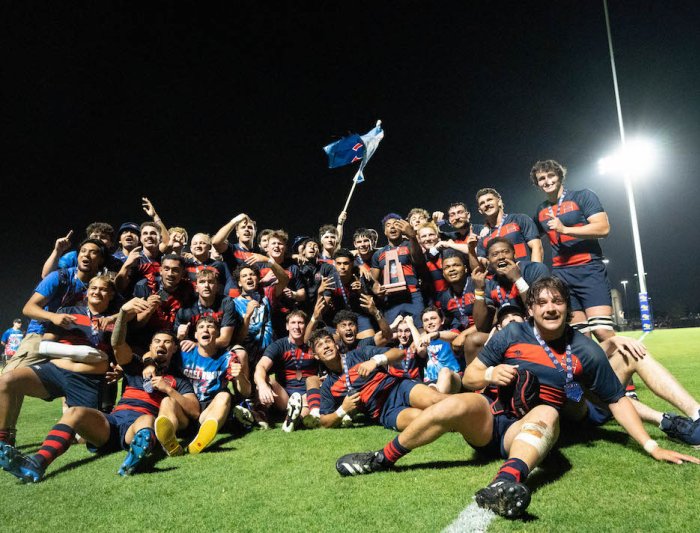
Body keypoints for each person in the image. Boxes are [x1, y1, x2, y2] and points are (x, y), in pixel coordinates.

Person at [334, 276, 697, 519]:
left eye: (558, 302)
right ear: (532, 310)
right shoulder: (511, 336)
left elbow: (617, 400)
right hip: (491, 418)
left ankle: (505, 483)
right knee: (455, 403)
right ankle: (381, 458)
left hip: (529, 425)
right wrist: (491, 373)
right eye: (543, 303)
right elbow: (472, 376)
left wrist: (651, 446)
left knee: (548, 413)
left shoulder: (585, 350)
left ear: (567, 308)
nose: (551, 308)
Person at [0, 299, 198, 481]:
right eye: (157, 341)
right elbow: (117, 343)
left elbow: (194, 410)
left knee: (147, 421)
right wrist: (122, 314)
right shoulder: (135, 365)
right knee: (74, 412)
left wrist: (168, 390)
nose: (161, 344)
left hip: (136, 425)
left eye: (167, 342)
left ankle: (135, 459)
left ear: (174, 349)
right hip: (112, 422)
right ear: (150, 346)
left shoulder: (178, 380)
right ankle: (37, 462)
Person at [0, 274, 117, 448]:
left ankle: (71, 429)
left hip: (87, 380)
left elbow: (115, 356)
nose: (97, 292)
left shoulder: (114, 322)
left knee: (87, 439)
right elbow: (45, 346)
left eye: (103, 289)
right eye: (93, 288)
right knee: (7, 380)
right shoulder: (67, 312)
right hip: (55, 371)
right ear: (87, 292)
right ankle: (4, 439)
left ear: (111, 294)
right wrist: (79, 353)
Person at [531, 159, 615, 340]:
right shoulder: (540, 210)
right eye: (541, 178)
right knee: (579, 337)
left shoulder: (583, 196)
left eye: (551, 175)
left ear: (560, 176)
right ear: (537, 184)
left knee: (602, 332)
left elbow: (603, 228)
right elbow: (526, 239)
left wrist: (566, 229)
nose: (547, 181)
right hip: (562, 276)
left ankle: (623, 368)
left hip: (589, 270)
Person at [3, 239, 108, 373]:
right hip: (42, 333)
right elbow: (28, 308)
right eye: (83, 251)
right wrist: (53, 317)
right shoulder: (60, 276)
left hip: (78, 338)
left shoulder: (101, 287)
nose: (86, 255)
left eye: (93, 252)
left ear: (101, 260)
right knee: (8, 378)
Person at [311, 329, 447, 431]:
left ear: (336, 345)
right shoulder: (328, 386)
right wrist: (342, 410)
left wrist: (376, 361)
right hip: (385, 412)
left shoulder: (359, 354)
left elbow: (399, 353)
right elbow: (324, 421)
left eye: (328, 341)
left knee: (437, 401)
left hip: (398, 388)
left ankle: (467, 413)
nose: (326, 346)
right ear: (316, 356)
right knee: (422, 420)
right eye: (320, 345)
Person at [175, 317, 250, 454]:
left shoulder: (227, 357)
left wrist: (240, 376)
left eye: (210, 327)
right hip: (186, 409)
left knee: (225, 396)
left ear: (217, 333)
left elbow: (245, 392)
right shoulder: (182, 354)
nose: (206, 329)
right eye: (201, 327)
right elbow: (155, 355)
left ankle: (202, 439)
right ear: (195, 335)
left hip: (210, 410)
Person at [254, 311, 322, 432]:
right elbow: (261, 366)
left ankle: (291, 420)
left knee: (313, 389)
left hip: (307, 393)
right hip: (284, 396)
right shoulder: (278, 345)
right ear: (287, 326)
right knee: (266, 378)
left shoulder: (314, 345)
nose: (296, 326)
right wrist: (263, 386)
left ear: (306, 326)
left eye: (300, 323)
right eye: (293, 323)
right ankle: (260, 413)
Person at [371, 213, 425, 327]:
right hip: (391, 299)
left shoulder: (410, 245)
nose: (392, 227)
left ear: (402, 229)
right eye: (388, 225)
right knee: (394, 334)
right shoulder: (378, 254)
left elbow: (419, 260)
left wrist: (412, 236)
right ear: (385, 231)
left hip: (412, 295)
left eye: (396, 224)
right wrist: (376, 288)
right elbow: (373, 280)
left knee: (420, 328)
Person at [175, 269, 239, 351]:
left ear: (217, 287)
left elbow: (224, 340)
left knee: (240, 352)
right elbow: (175, 341)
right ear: (196, 288)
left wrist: (196, 345)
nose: (206, 285)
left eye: (211, 282)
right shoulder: (186, 309)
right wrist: (179, 336)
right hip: (193, 350)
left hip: (220, 349)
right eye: (202, 282)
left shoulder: (226, 302)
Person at [475, 188, 543, 262]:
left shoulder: (520, 219)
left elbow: (536, 247)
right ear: (480, 210)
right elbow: (483, 263)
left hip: (524, 272)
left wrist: (535, 271)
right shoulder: (483, 236)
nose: (486, 204)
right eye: (482, 203)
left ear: (499, 202)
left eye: (489, 200)